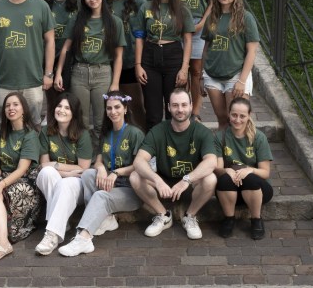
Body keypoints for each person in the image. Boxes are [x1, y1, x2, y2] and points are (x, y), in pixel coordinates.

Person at [58, 92, 144, 257]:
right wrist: (102, 168)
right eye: (109, 108)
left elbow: (140, 165)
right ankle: (106, 220)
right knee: (88, 174)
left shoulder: (135, 133)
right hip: (111, 184)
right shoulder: (106, 133)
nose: (113, 111)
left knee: (100, 196)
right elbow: (98, 161)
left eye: (117, 107)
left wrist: (116, 173)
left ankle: (83, 238)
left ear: (125, 109)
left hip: (130, 190)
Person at [129, 88, 217, 240]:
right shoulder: (158, 131)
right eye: (175, 105)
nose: (180, 109)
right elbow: (139, 161)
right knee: (135, 176)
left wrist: (187, 179)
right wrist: (157, 180)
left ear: (191, 106)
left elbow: (211, 161)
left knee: (211, 179)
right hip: (164, 183)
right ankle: (163, 215)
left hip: (190, 183)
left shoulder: (202, 132)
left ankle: (190, 216)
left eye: (184, 105)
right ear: (168, 107)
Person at [55, 0, 124, 151]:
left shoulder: (114, 21)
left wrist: (115, 83)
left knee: (102, 120)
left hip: (103, 73)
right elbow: (65, 49)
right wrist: (58, 73)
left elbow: (118, 56)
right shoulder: (77, 19)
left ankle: (101, 156)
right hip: (79, 72)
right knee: (81, 119)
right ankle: (84, 155)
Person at [0, 92, 41, 262]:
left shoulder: (30, 135)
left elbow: (22, 169)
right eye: (8, 105)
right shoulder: (3, 131)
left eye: (16, 104)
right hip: (4, 176)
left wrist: (0, 185)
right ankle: (2, 223)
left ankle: (2, 242)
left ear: (24, 109)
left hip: (25, 181)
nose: (11, 108)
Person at [134, 0, 194, 129]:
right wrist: (138, 65)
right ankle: (154, 143)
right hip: (150, 56)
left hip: (173, 56)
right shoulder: (146, 6)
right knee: (152, 112)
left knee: (173, 107)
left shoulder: (182, 9)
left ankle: (173, 142)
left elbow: (188, 40)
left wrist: (184, 68)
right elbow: (139, 38)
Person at [33, 92, 92, 255]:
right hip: (63, 177)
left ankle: (51, 236)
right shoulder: (46, 132)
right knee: (46, 173)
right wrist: (65, 172)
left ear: (74, 112)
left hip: (77, 184)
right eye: (59, 106)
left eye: (67, 108)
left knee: (65, 183)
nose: (62, 110)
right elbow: (45, 165)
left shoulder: (83, 134)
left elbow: (83, 169)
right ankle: (60, 222)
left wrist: (56, 166)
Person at [202, 0, 260, 129]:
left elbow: (252, 51)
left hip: (235, 75)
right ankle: (223, 146)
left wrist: (242, 81)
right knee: (222, 119)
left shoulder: (245, 18)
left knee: (237, 122)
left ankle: (245, 146)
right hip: (212, 75)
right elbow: (206, 47)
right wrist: (202, 74)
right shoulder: (212, 17)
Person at [215, 97, 273, 240]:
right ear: (229, 114)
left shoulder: (259, 137)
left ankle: (256, 219)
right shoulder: (220, 137)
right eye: (234, 115)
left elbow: (265, 172)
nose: (237, 120)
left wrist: (249, 169)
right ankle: (229, 218)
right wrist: (226, 170)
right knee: (223, 179)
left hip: (257, 190)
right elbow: (217, 168)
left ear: (249, 115)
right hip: (231, 191)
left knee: (249, 178)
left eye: (242, 116)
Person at [175, 0, 217, 121]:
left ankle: (196, 113)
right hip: (176, 25)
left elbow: (213, 2)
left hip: (199, 24)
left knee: (196, 70)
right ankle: (181, 109)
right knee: (179, 69)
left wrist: (202, 23)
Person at [105, 0, 146, 128]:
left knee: (135, 106)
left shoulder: (139, 1)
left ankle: (141, 138)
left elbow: (146, 31)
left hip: (131, 60)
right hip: (108, 61)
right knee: (112, 107)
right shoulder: (103, 1)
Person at [41, 0, 79, 122]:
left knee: (68, 95)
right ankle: (50, 121)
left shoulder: (77, 2)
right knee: (51, 96)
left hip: (70, 56)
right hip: (48, 54)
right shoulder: (44, 3)